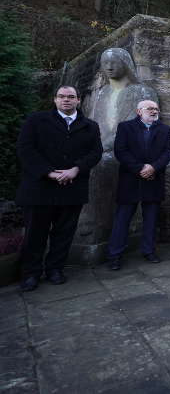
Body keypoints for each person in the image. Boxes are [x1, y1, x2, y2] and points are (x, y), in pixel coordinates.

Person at [15, 86, 102, 291]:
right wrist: (49, 172)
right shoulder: (36, 120)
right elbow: (26, 149)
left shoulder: (90, 126)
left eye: (71, 97)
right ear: (55, 100)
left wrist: (76, 169)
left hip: (72, 186)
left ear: (78, 100)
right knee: (35, 233)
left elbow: (95, 152)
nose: (66, 100)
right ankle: (31, 273)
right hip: (40, 187)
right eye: (62, 97)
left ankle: (55, 269)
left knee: (64, 233)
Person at [107, 100, 170, 270]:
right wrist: (140, 168)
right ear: (139, 111)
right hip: (130, 180)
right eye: (150, 108)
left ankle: (149, 251)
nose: (154, 111)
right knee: (122, 219)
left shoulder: (164, 129)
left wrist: (153, 168)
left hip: (154, 179)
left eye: (156, 108)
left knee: (151, 219)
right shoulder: (125, 127)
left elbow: (167, 152)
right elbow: (120, 150)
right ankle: (115, 255)